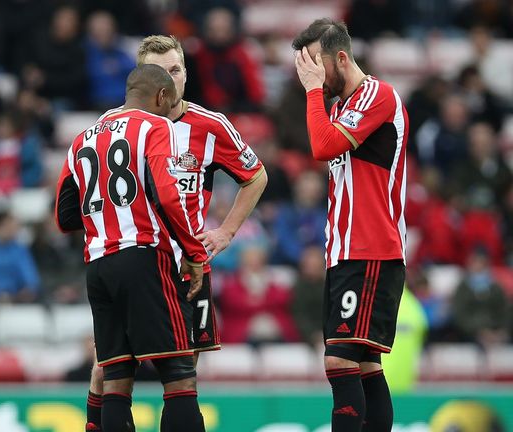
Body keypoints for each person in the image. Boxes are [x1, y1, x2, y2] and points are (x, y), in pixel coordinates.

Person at [83, 35, 268, 432]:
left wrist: (226, 232)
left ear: (185, 73)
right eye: (158, 72)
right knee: (108, 371)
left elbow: (256, 176)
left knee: (184, 376)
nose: (169, 80)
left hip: (186, 268)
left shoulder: (209, 125)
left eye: (176, 70)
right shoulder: (115, 125)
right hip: (135, 260)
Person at [55, 64, 208, 432]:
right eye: (168, 103)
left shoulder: (83, 138)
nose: (171, 110)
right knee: (179, 371)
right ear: (160, 96)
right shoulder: (157, 127)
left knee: (116, 378)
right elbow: (170, 197)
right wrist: (194, 254)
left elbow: (63, 215)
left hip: (98, 265)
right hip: (142, 256)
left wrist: (107, 213)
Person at [293, 19, 409, 431]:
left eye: (314, 66)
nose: (310, 77)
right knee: (362, 365)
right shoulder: (341, 108)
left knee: (340, 358)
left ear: (341, 58)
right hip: (345, 250)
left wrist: (310, 92)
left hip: (372, 248)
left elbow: (322, 147)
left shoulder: (377, 95)